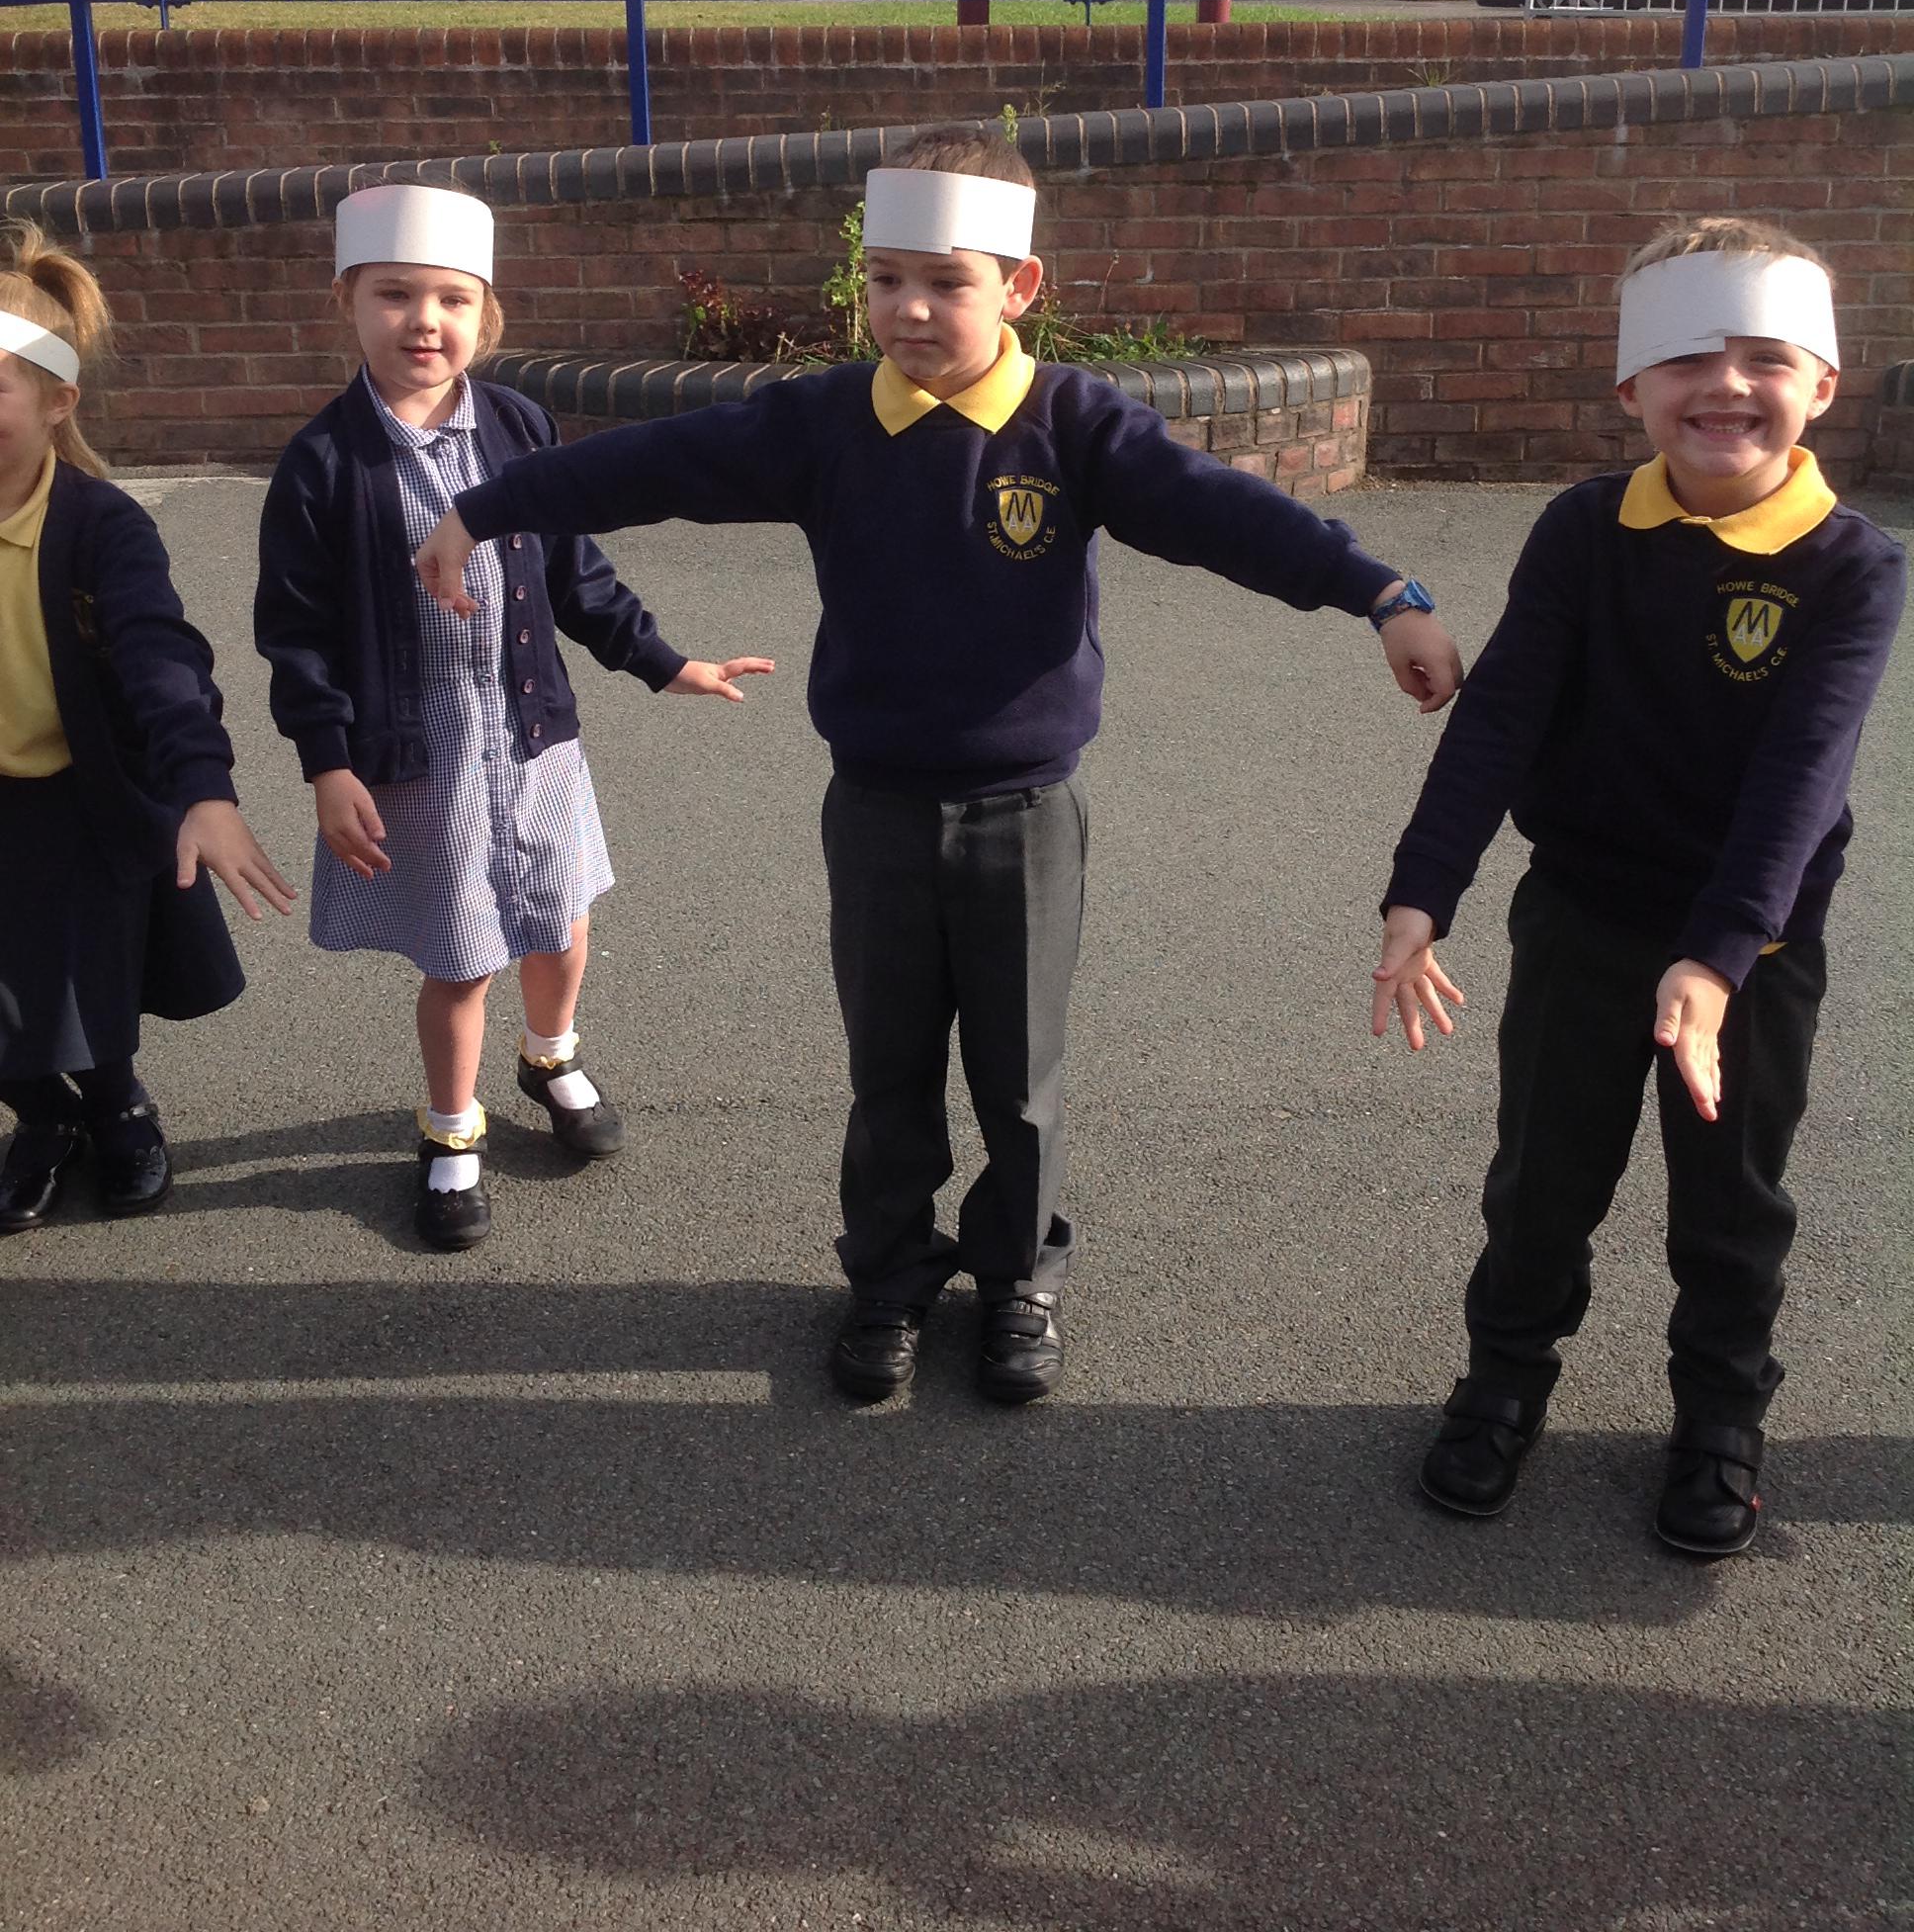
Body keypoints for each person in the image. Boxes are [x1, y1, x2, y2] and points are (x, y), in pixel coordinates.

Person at [413, 129, 1462, 1398]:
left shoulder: (1076, 425)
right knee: (890, 1073)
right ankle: (889, 1277)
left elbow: (1230, 517)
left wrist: (1379, 592)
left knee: (1018, 1081)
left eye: (946, 282)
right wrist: (483, 509)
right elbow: (654, 465)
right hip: (877, 807)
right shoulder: (823, 422)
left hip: (1027, 810)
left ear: (1020, 287)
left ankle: (1018, 1275)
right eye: (886, 278)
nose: (909, 308)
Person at [1371, 217, 1905, 1555]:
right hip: (1584, 917)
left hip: (1750, 949)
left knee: (1731, 1203)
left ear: (1822, 385)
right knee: (1542, 1181)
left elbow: (1800, 779)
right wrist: (1421, 894)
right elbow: (1498, 719)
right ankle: (1503, 1383)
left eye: (1764, 356)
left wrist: (1717, 960)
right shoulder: (1584, 529)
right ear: (1630, 386)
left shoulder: (1853, 564)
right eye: (1686, 357)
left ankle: (1720, 1418)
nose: (1725, 383)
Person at [254, 184, 772, 1251]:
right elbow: (295, 632)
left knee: (563, 919)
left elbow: (577, 571)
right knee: (461, 959)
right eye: (394, 295)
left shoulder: (519, 425)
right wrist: (326, 763)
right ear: (347, 300)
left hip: (535, 740)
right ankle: (451, 1130)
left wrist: (664, 662)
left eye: (452, 299)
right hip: (422, 753)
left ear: (485, 313)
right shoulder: (323, 463)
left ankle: (550, 1055)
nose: (424, 321)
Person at [0, 225, 293, 1232]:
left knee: (86, 978)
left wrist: (203, 788)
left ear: (57, 401)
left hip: (78, 798)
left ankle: (116, 1104)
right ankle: (43, 1118)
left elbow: (163, 660)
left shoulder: (100, 526)